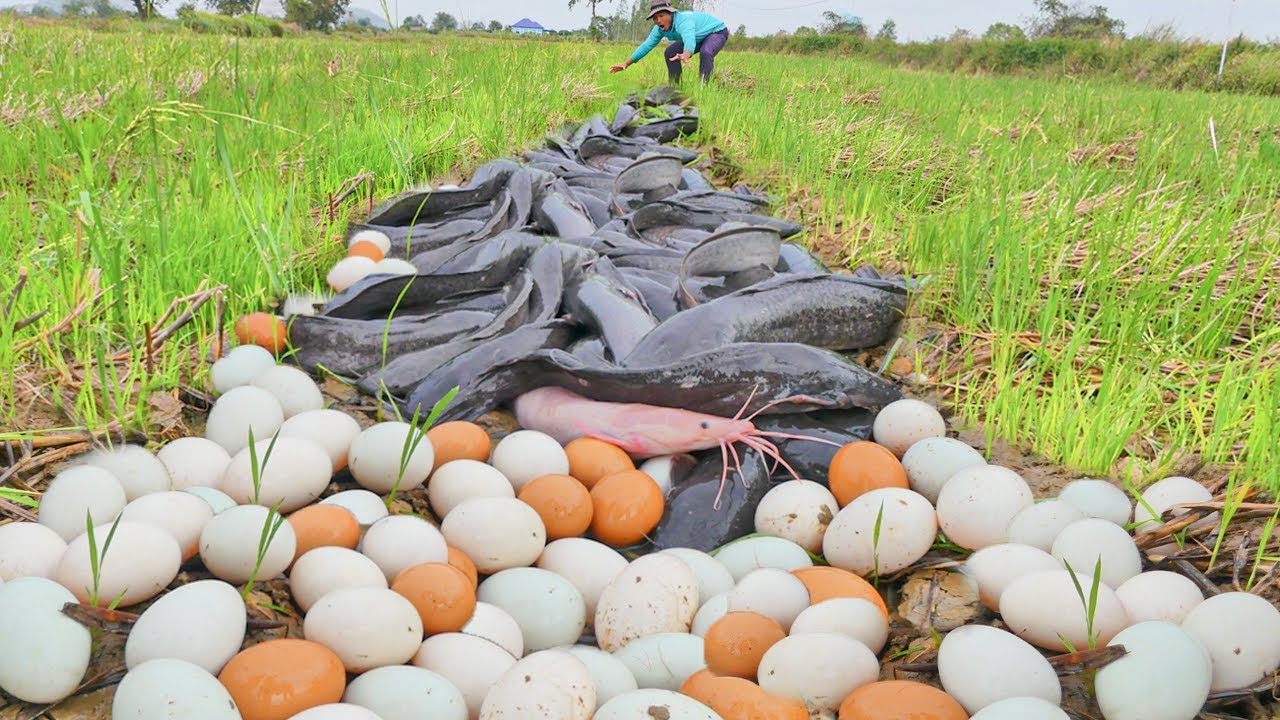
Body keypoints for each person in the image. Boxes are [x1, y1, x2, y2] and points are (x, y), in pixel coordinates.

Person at [610, 1, 730, 85]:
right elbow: (647, 45)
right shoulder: (659, 29)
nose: (658, 20)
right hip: (698, 37)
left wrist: (685, 54)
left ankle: (704, 87)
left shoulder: (683, 20)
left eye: (661, 15)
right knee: (670, 52)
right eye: (655, 18)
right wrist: (626, 64)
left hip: (716, 32)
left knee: (706, 51)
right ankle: (675, 88)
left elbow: (689, 39)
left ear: (671, 14)